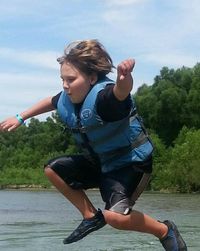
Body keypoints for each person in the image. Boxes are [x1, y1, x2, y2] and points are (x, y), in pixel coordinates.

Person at [0, 39, 187, 250]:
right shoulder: (68, 98)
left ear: (91, 78)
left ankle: (164, 230)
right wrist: (21, 116)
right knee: (53, 170)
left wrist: (124, 79)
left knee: (116, 218)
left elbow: (120, 92)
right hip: (100, 163)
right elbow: (51, 101)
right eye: (62, 79)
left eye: (70, 79)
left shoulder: (104, 100)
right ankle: (90, 216)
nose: (65, 85)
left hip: (129, 164)